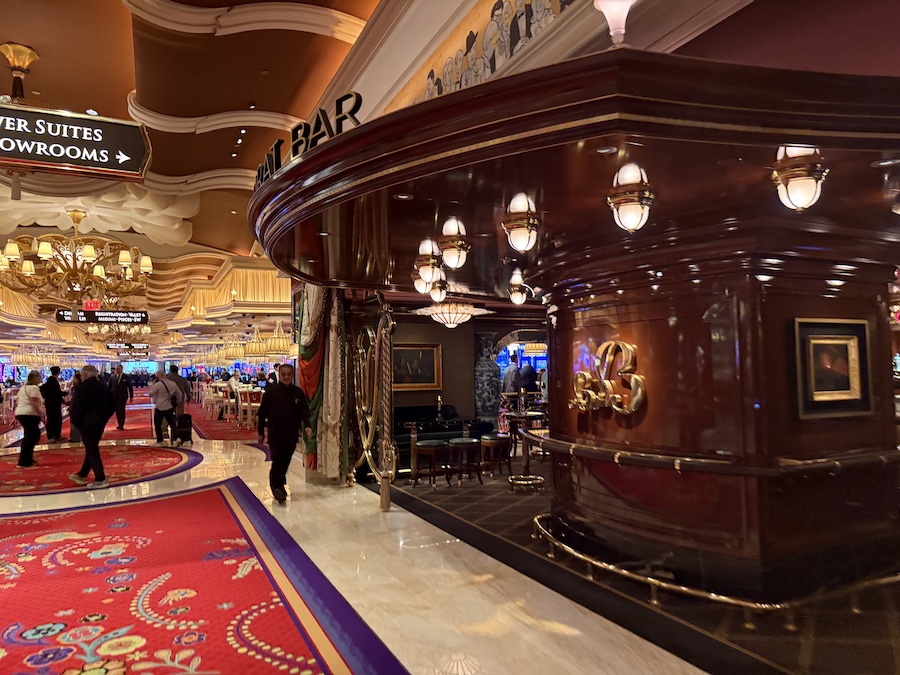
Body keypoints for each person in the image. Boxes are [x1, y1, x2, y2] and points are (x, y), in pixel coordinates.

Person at [257, 363, 312, 504]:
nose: (286, 377)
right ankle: (277, 487)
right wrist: (260, 432)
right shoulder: (270, 392)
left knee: (285, 462)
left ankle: (279, 485)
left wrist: (308, 426)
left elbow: (305, 412)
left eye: (289, 374)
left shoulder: (298, 393)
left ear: (292, 375)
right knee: (277, 461)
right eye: (283, 374)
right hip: (275, 434)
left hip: (291, 435)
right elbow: (262, 414)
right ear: (279, 375)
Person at [68, 365, 116, 489]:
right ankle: (82, 474)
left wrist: (77, 422)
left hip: (86, 423)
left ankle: (100, 478)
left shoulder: (82, 388)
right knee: (92, 448)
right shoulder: (103, 387)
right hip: (99, 422)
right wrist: (104, 418)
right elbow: (112, 405)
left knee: (92, 449)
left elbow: (77, 407)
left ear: (85, 375)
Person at [14, 369, 44, 468]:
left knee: (29, 435)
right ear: (35, 378)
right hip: (30, 414)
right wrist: (41, 414)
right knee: (32, 436)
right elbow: (34, 402)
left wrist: (16, 416)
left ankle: (27, 459)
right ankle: (24, 461)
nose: (41, 378)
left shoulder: (23, 387)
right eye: (39, 377)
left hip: (21, 413)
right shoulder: (34, 388)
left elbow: (18, 401)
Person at [148, 369, 183, 445]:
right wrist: (176, 402)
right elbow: (179, 394)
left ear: (158, 377)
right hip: (169, 407)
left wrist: (152, 386)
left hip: (160, 406)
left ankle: (160, 440)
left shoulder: (158, 385)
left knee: (157, 424)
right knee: (172, 423)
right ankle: (176, 438)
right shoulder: (172, 384)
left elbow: (150, 394)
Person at [40, 365, 65, 443]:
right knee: (53, 419)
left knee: (56, 419)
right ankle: (52, 436)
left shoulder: (52, 380)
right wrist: (64, 394)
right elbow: (55, 392)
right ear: (58, 372)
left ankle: (56, 435)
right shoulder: (51, 380)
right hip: (52, 404)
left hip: (53, 403)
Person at [108, 363, 134, 430]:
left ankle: (121, 424)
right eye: (116, 369)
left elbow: (130, 387)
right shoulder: (112, 377)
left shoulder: (126, 377)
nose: (117, 370)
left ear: (122, 369)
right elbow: (109, 387)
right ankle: (119, 423)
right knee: (117, 410)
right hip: (114, 396)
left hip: (123, 396)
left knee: (121, 409)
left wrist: (131, 396)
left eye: (118, 369)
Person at [68, 371, 83, 443]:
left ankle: (76, 437)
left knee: (75, 422)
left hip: (77, 407)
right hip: (74, 406)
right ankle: (74, 437)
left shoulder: (79, 388)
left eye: (74, 378)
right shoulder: (75, 387)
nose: (73, 379)